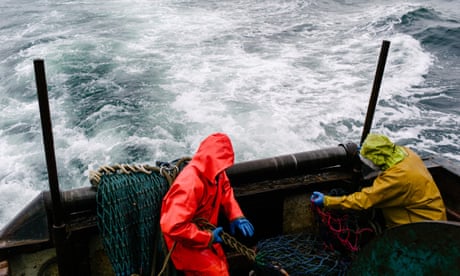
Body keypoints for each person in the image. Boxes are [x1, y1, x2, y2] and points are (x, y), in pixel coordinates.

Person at [160, 132, 254, 276]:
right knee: (218, 272)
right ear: (211, 161)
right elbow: (173, 226)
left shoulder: (218, 174)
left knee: (221, 263)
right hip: (186, 244)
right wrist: (207, 238)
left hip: (205, 235)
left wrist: (236, 216)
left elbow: (225, 190)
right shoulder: (190, 183)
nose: (223, 169)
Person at [311, 133, 447, 228]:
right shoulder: (407, 153)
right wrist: (365, 150)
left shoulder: (396, 178)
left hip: (416, 231)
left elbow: (363, 201)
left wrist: (327, 201)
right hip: (437, 219)